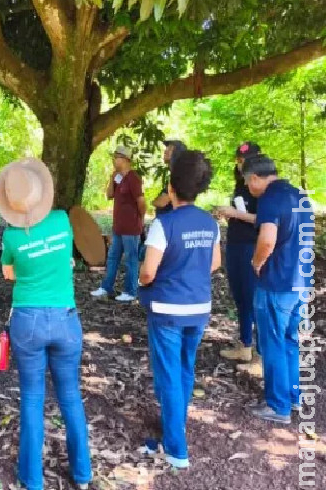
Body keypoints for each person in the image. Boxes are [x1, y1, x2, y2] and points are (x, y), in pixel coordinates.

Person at [0, 158, 93, 490]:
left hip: (28, 321)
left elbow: (9, 274)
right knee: (70, 395)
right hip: (66, 320)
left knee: (32, 396)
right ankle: (82, 474)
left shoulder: (11, 237)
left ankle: (32, 478)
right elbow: (66, 257)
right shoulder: (62, 220)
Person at [138, 150, 221, 469]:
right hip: (199, 309)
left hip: (167, 311)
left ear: (171, 188)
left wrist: (145, 283)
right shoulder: (210, 222)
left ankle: (175, 448)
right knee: (185, 368)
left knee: (169, 374)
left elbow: (148, 272)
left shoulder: (163, 225)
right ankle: (176, 423)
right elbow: (214, 263)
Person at [242, 154, 312, 424]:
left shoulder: (270, 198)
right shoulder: (299, 195)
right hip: (300, 283)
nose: (249, 188)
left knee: (272, 343)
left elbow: (267, 240)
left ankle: (277, 405)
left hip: (275, 283)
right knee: (291, 341)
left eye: (248, 183)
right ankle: (294, 397)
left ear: (256, 178)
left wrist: (257, 262)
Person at [215, 142, 262, 368]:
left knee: (254, 300)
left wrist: (235, 213)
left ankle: (260, 357)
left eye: (246, 159)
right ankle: (244, 346)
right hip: (235, 243)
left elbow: (263, 219)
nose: (242, 163)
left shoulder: (262, 186)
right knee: (241, 298)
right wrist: (230, 216)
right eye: (240, 159)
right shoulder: (241, 184)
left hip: (251, 246)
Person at [91, 145, 146, 302]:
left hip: (131, 228)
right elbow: (109, 195)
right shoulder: (118, 177)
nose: (114, 160)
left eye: (117, 157)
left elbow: (141, 202)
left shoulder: (133, 178)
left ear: (125, 159)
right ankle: (106, 287)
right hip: (118, 227)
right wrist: (111, 178)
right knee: (113, 257)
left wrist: (140, 219)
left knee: (131, 259)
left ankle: (130, 291)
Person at [152, 140, 186, 216]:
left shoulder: (180, 176)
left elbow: (161, 202)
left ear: (177, 153)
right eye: (166, 148)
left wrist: (154, 202)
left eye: (170, 149)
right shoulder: (174, 175)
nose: (165, 151)